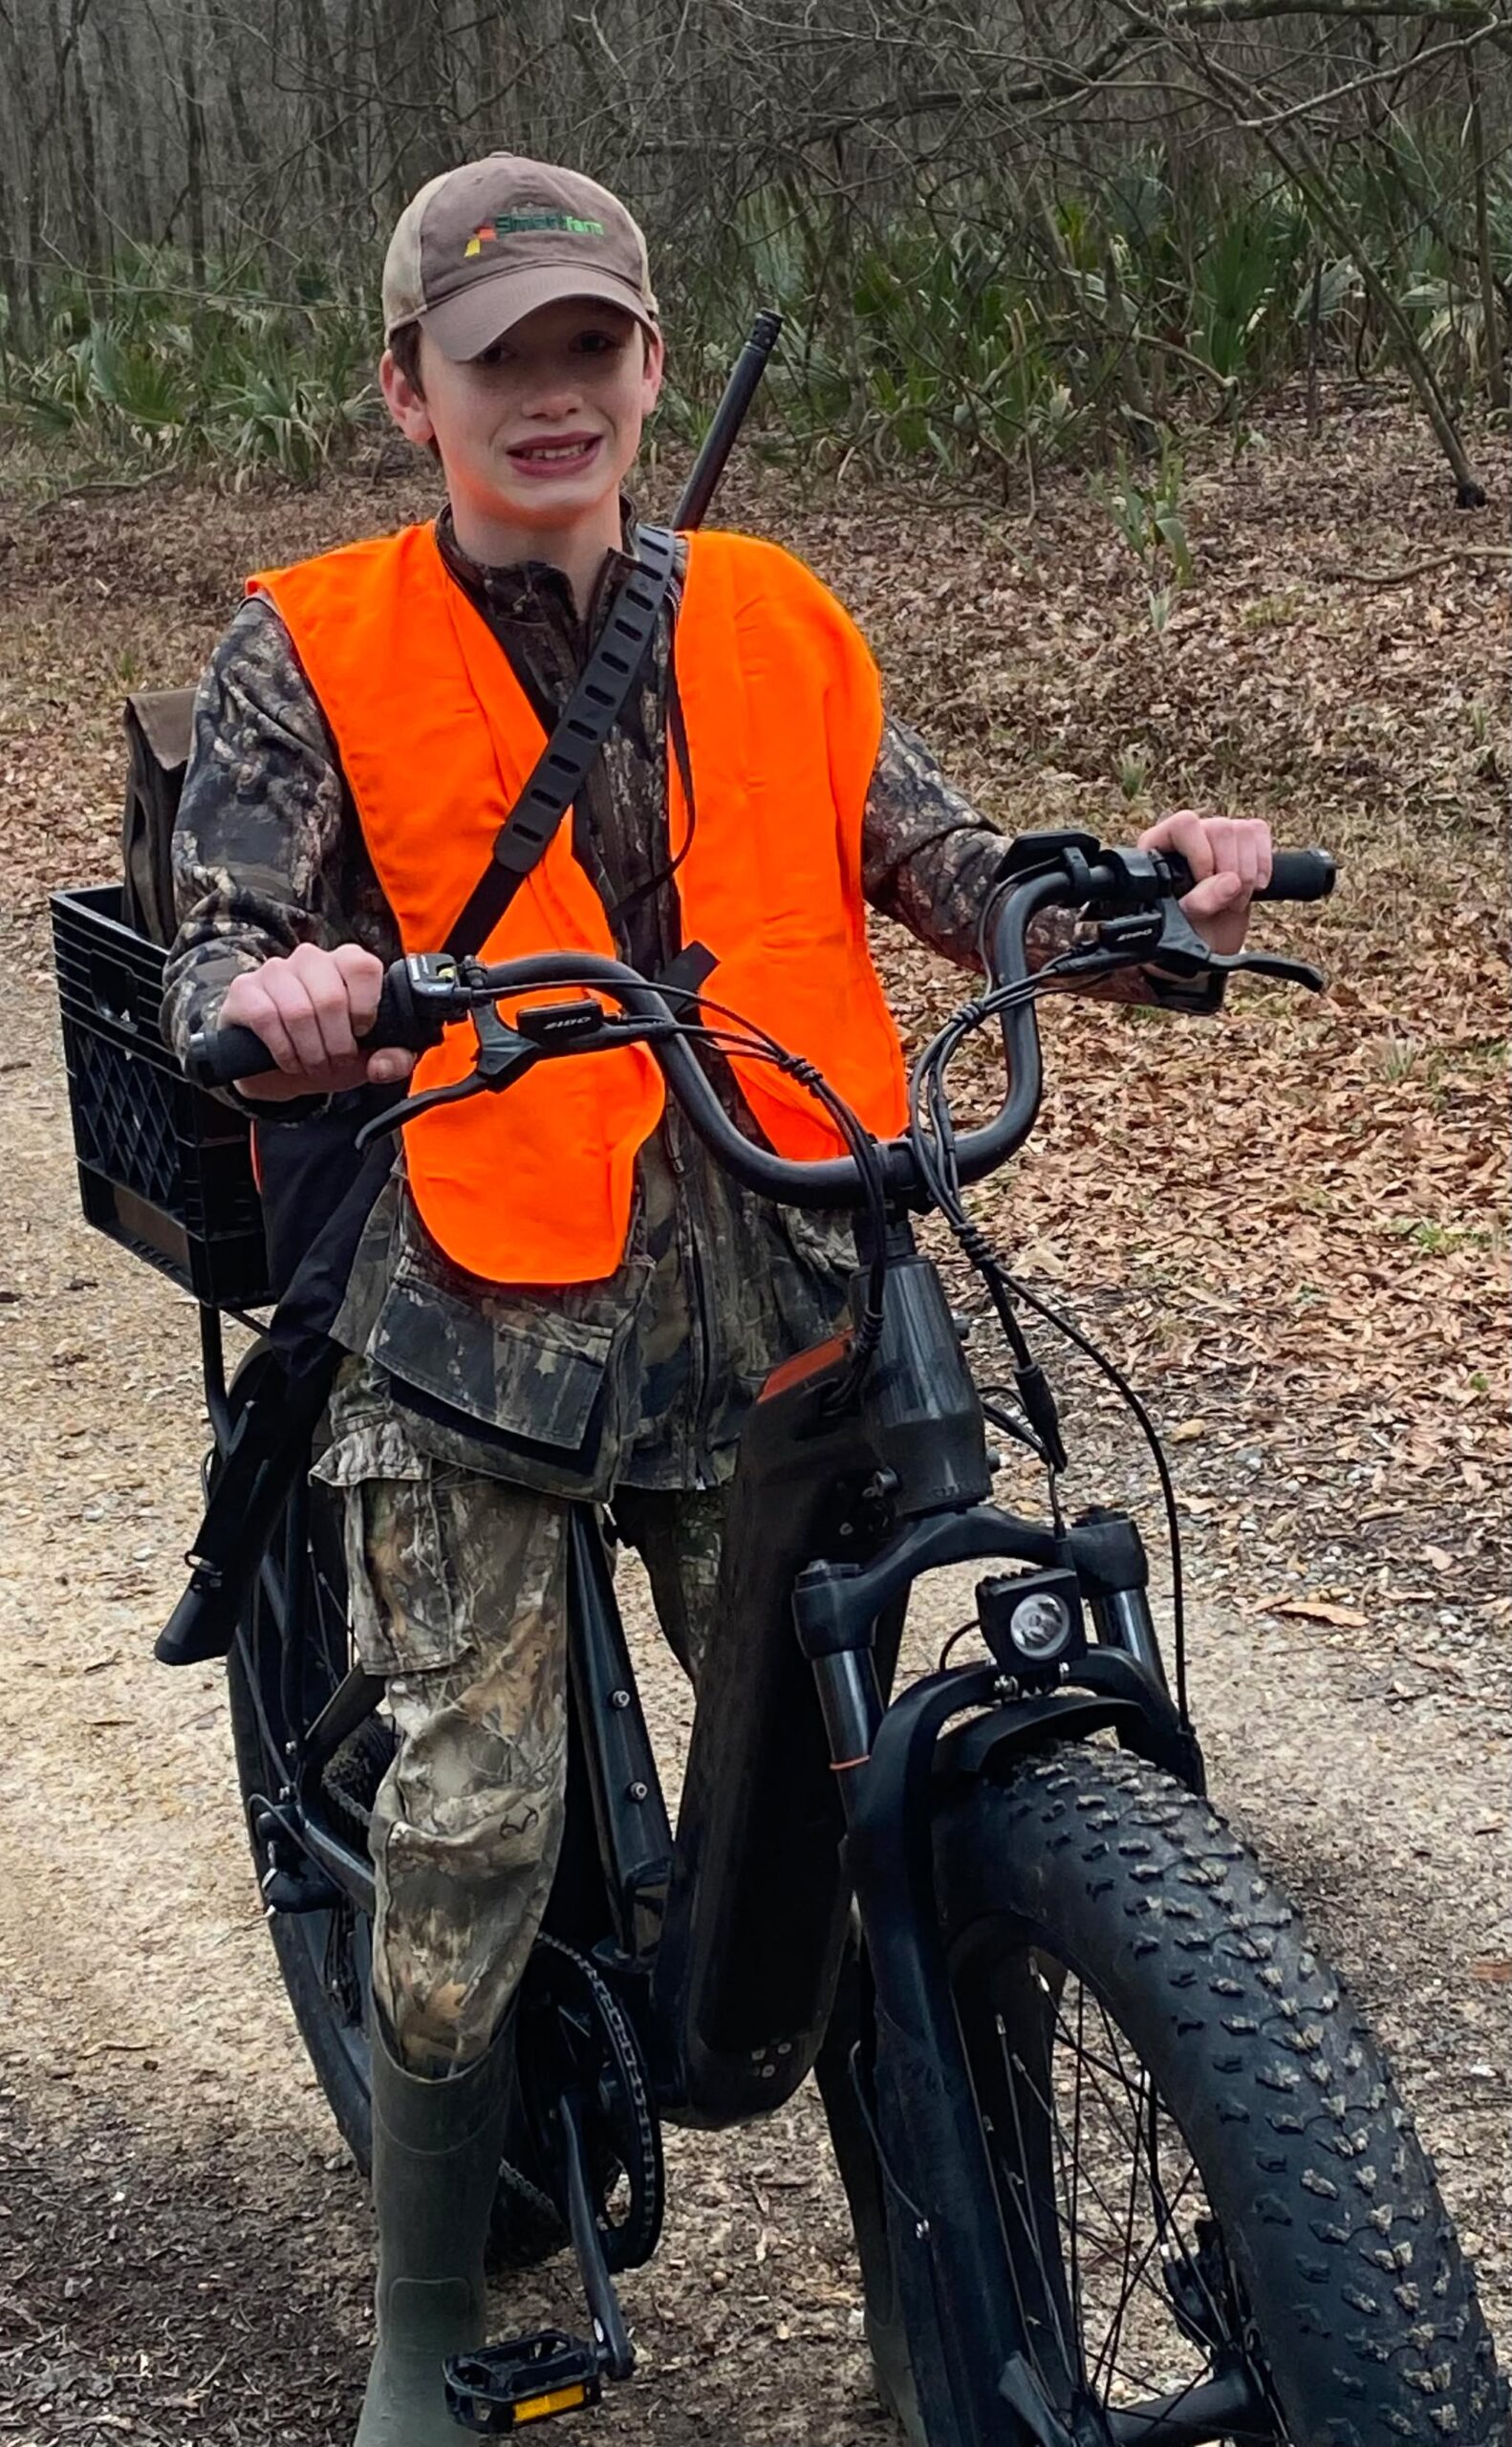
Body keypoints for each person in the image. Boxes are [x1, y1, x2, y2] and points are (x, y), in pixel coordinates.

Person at [162, 152, 1273, 2447]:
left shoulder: (772, 615)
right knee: (470, 1814)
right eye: (498, 364)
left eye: (589, 348)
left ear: (650, 362)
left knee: (850, 1787)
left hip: (774, 1268)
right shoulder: (312, 642)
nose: (550, 398)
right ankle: (421, 2329)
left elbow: (949, 867)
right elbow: (217, 936)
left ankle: (930, 2314)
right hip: (473, 1289)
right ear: (409, 395)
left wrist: (1140, 894)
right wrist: (279, 989)